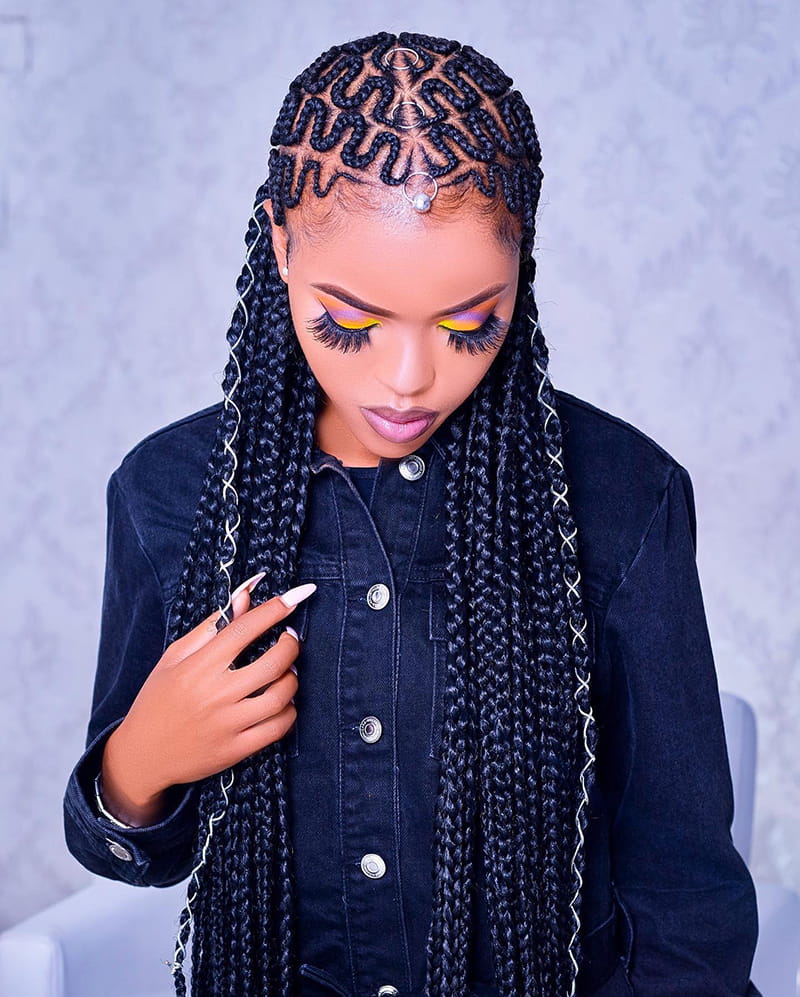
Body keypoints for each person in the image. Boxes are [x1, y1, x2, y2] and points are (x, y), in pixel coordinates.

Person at [62, 29, 761, 997]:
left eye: (470, 322)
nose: (407, 379)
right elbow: (136, 850)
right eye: (349, 320)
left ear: (522, 260)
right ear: (279, 243)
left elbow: (685, 892)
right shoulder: (172, 493)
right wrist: (140, 761)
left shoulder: (620, 497)